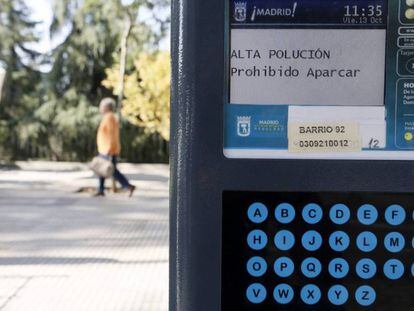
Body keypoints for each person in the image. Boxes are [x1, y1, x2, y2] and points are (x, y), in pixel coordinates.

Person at [95, 97, 136, 197]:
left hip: (108, 150)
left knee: (112, 171)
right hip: (105, 149)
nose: (100, 108)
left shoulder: (109, 117)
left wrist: (108, 150)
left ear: (106, 107)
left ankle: (128, 186)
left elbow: (110, 135)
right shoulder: (109, 117)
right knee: (102, 169)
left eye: (101, 106)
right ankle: (101, 189)